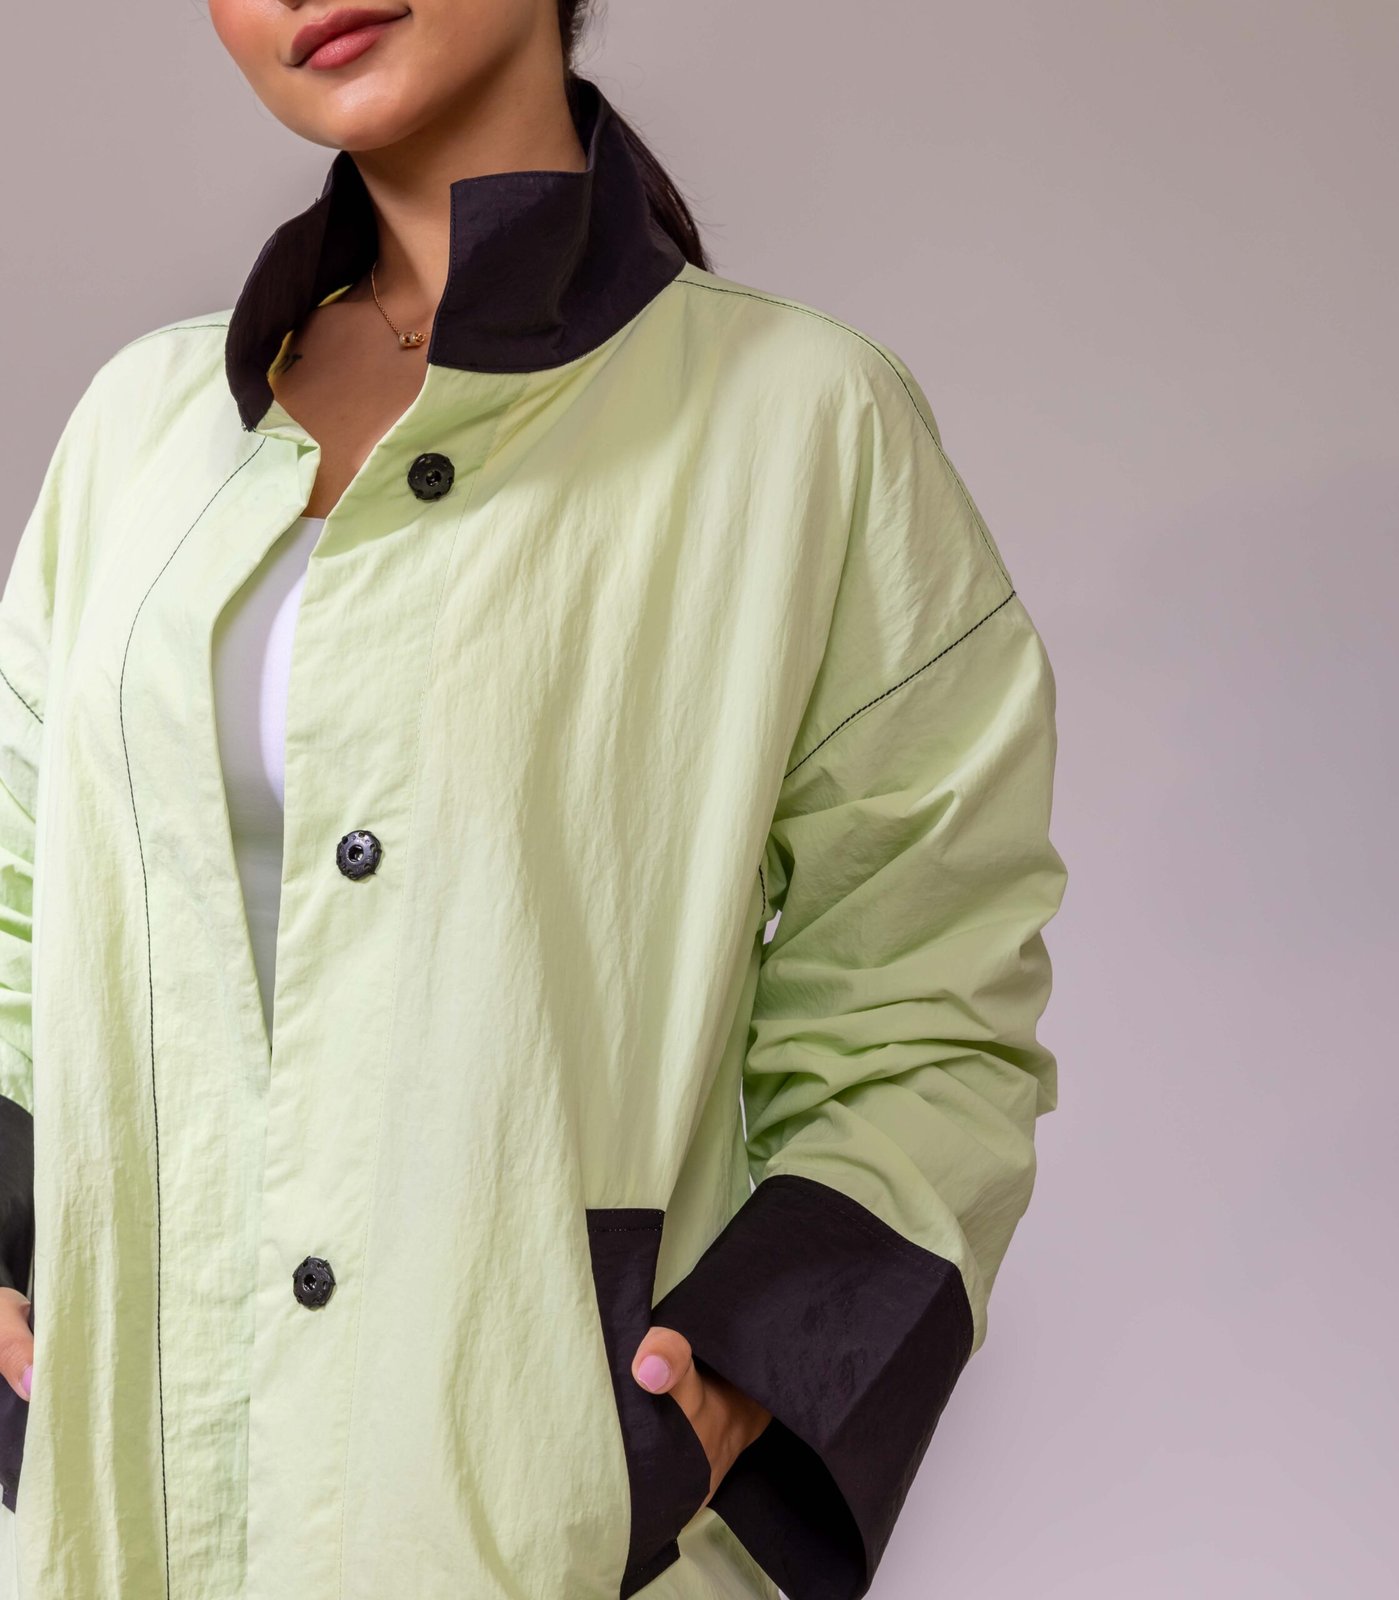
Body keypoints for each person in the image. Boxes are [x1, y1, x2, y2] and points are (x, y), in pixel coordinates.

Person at [0, 3, 1069, 1597]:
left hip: (532, 1538)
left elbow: (929, 1000)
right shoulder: (136, 434)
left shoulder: (804, 425)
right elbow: (17, 915)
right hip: (128, 1531)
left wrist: (741, 1377)